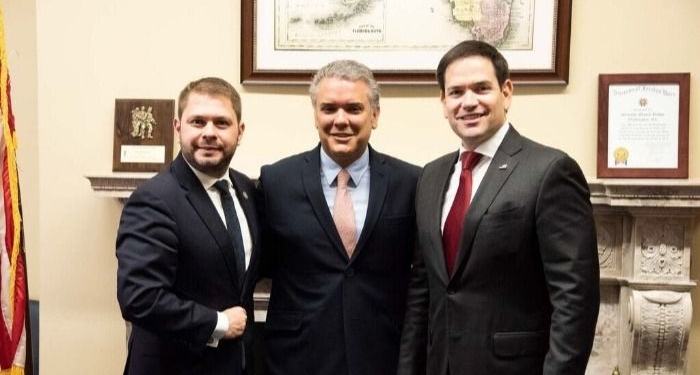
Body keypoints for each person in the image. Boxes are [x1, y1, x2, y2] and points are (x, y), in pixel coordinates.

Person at [398, 40, 600, 375]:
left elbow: (575, 298)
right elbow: (423, 288)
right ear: (443, 102)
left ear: (506, 92)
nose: (469, 102)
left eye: (481, 88)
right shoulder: (431, 176)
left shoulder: (550, 171)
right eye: (456, 92)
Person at [258, 59, 421, 375]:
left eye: (354, 109)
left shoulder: (411, 182)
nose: (340, 120)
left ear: (374, 115)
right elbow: (259, 264)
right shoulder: (276, 181)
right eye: (329, 109)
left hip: (383, 354)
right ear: (315, 115)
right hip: (297, 357)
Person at [116, 77, 260, 375]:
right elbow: (139, 298)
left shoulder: (245, 190)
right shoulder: (154, 199)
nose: (209, 133)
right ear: (178, 127)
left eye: (221, 123)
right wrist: (218, 323)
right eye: (198, 122)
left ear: (239, 131)